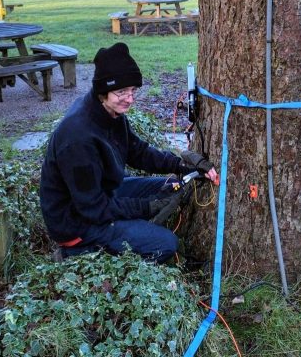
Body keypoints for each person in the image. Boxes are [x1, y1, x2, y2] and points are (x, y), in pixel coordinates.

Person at [40, 42, 218, 263]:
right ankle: (80, 255)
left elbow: (138, 152)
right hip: (78, 225)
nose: (130, 99)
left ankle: (133, 232)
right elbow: (93, 209)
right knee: (166, 245)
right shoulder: (78, 139)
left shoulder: (107, 112)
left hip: (101, 195)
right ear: (102, 91)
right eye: (121, 92)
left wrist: (181, 166)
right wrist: (146, 207)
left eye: (133, 91)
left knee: (169, 185)